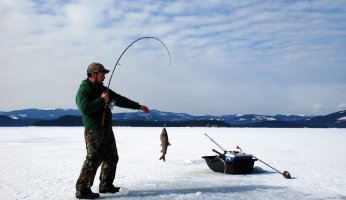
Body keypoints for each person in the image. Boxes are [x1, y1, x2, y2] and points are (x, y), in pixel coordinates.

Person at [75, 62, 149, 199]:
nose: (104, 76)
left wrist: (138, 106)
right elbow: (85, 108)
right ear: (93, 75)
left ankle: (106, 185)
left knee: (112, 157)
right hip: (94, 131)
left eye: (104, 74)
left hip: (106, 130)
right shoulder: (84, 89)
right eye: (101, 74)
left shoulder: (102, 88)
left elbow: (119, 99)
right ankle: (82, 189)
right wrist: (102, 100)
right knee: (93, 159)